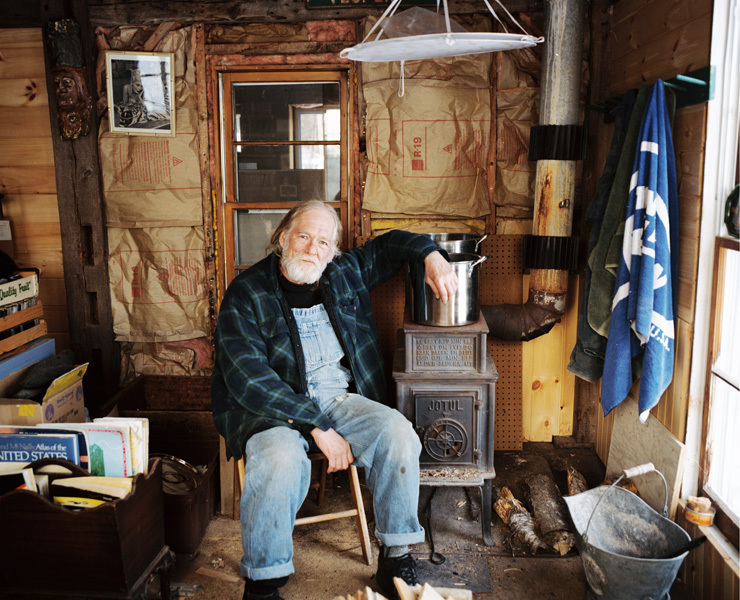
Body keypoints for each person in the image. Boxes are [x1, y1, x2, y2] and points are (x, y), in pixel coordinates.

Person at [212, 200, 458, 600]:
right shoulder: (246, 293)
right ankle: (264, 582)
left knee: (397, 433)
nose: (312, 249)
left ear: (333, 252)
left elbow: (394, 245)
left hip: (338, 398)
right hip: (271, 410)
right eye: (304, 237)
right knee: (279, 459)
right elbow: (247, 379)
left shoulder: (344, 272)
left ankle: (395, 559)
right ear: (282, 238)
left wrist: (431, 254)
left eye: (323, 242)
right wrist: (315, 424)